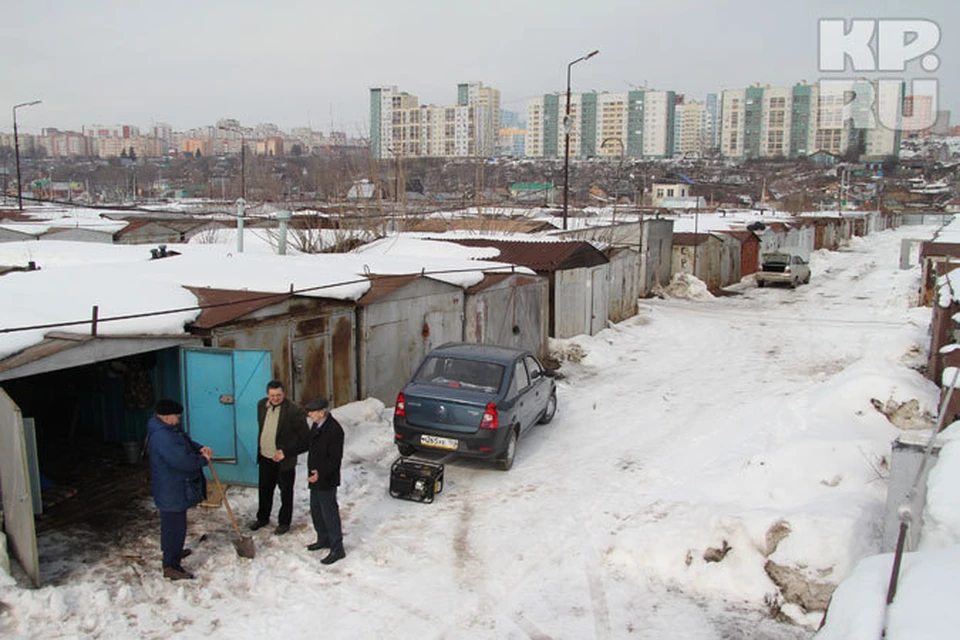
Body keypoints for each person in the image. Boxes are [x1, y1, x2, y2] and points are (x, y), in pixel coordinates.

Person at [147, 398, 212, 581]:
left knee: (174, 526)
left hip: (174, 487)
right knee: (174, 527)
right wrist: (202, 460)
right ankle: (171, 565)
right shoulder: (163, 437)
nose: (179, 419)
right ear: (167, 418)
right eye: (177, 416)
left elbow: (185, 441)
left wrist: (199, 448)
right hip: (171, 488)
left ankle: (173, 552)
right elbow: (182, 461)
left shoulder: (169, 429)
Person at [250, 379, 309, 535]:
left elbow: (306, 440)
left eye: (278, 395)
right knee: (264, 489)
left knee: (286, 492)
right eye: (272, 395)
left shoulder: (294, 411)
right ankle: (262, 518)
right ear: (267, 394)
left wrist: (285, 452)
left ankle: (284, 522)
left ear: (284, 393)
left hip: (284, 460)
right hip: (265, 457)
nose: (275, 398)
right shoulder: (261, 405)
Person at [304, 397, 346, 565]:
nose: (310, 415)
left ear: (322, 412)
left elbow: (335, 460)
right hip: (315, 477)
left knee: (329, 512)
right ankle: (323, 538)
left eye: (312, 412)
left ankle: (337, 547)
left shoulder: (335, 430)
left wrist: (320, 474)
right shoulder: (316, 425)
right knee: (316, 510)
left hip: (326, 478)